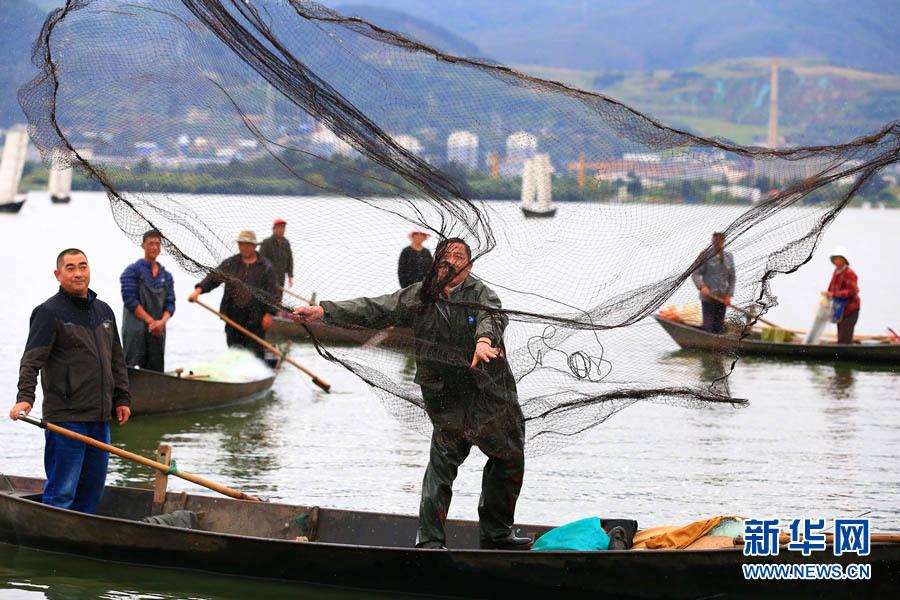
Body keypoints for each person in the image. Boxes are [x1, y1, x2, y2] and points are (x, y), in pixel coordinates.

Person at [293, 238, 530, 551]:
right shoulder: (420, 295)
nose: (451, 262)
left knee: (509, 460)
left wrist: (484, 342)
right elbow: (375, 308)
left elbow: (493, 317)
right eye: (445, 257)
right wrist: (324, 311)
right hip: (446, 399)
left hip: (490, 396)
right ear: (436, 264)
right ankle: (430, 541)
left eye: (458, 257)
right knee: (441, 468)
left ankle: (496, 535)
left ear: (469, 266)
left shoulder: (481, 294)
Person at [9, 248, 131, 513]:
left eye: (83, 266)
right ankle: (51, 531)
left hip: (100, 418)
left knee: (92, 490)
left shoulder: (104, 311)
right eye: (71, 268)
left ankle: (81, 533)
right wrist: (25, 398)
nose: (78, 273)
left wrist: (122, 398)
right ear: (58, 274)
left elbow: (117, 360)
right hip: (66, 419)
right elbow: (31, 360)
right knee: (62, 492)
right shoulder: (48, 312)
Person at [188, 230, 278, 359]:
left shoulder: (265, 266)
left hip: (256, 320)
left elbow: (272, 292)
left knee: (254, 355)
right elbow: (213, 278)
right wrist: (198, 291)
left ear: (254, 246)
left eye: (247, 244)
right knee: (234, 353)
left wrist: (269, 314)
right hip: (233, 319)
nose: (244, 247)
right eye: (241, 244)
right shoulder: (231, 263)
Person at [120, 229, 176, 372]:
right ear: (143, 246)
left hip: (157, 330)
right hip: (135, 329)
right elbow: (130, 300)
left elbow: (170, 303)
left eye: (157, 244)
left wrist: (161, 322)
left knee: (156, 369)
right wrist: (151, 322)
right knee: (130, 367)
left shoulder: (166, 276)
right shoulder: (132, 271)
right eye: (151, 243)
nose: (154, 247)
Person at [690, 232, 735, 334]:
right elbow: (695, 274)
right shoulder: (705, 256)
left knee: (718, 328)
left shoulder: (729, 257)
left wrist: (729, 295)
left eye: (719, 240)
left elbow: (732, 278)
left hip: (722, 298)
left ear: (723, 241)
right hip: (708, 298)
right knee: (708, 327)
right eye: (715, 240)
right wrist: (702, 287)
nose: (717, 242)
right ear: (712, 241)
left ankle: (716, 340)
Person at [826, 247, 860, 344]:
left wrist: (834, 294)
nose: (836, 261)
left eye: (839, 259)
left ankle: (846, 350)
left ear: (844, 260)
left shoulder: (850, 274)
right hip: (840, 310)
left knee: (844, 340)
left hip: (851, 310)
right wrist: (828, 294)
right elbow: (831, 288)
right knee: (841, 337)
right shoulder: (836, 272)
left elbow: (853, 291)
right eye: (835, 259)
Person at [259, 218, 294, 303]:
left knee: (278, 299)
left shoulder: (286, 243)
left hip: (281, 277)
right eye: (279, 227)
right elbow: (261, 259)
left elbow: (290, 259)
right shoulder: (266, 243)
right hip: (267, 277)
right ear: (274, 229)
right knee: (266, 298)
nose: (281, 230)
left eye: (283, 228)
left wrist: (290, 276)